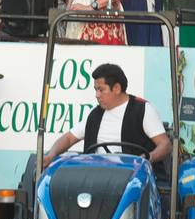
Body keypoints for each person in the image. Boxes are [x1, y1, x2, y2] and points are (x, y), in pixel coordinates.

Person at [42, 63, 172, 169]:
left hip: (131, 175)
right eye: (96, 90)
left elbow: (165, 145)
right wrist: (51, 155)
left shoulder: (144, 110)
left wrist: (147, 158)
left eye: (101, 90)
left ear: (116, 88)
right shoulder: (94, 114)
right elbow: (69, 138)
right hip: (95, 174)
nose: (97, 95)